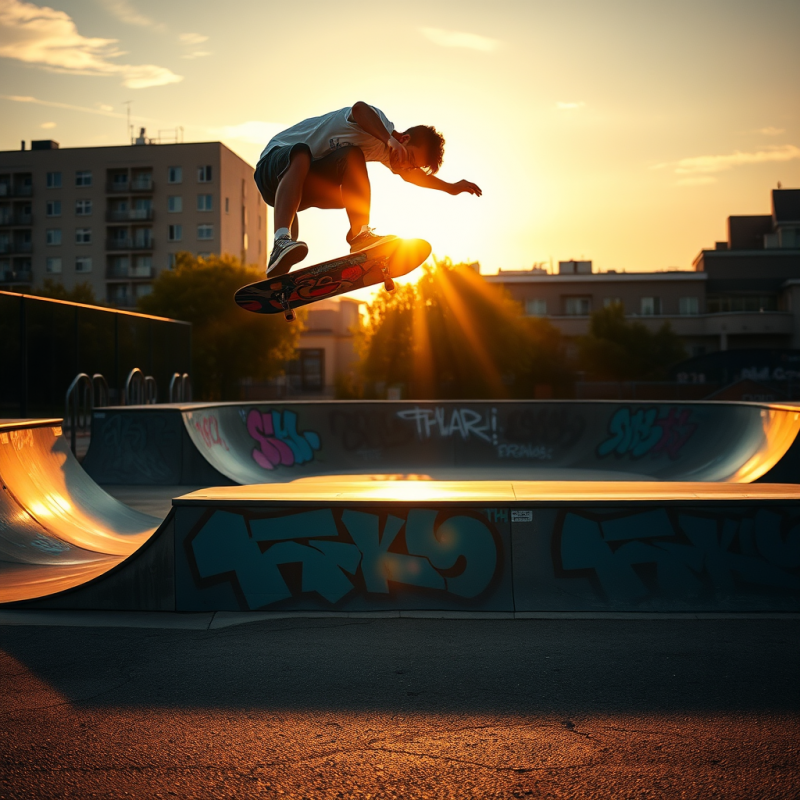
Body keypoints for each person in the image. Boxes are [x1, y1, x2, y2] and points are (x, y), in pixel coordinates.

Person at [254, 102, 482, 276]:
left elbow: (415, 177)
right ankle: (281, 241)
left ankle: (359, 236)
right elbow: (359, 108)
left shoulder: (390, 156)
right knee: (302, 152)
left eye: (411, 165)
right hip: (273, 165)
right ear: (404, 139)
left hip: (303, 186)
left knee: (352, 161)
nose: (405, 165)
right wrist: (389, 139)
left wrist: (450, 188)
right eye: (409, 157)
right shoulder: (378, 123)